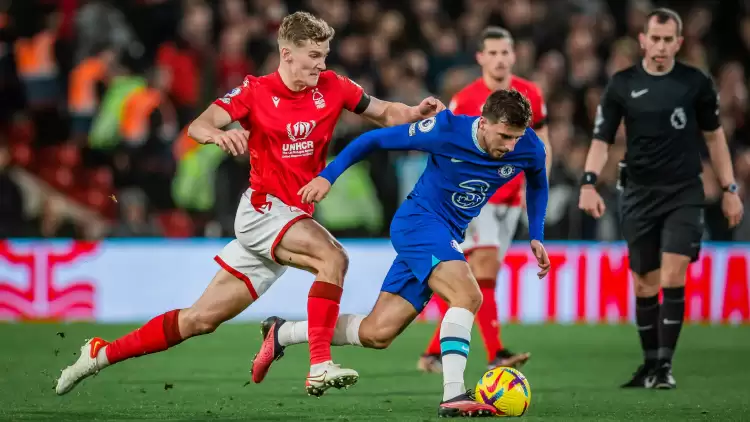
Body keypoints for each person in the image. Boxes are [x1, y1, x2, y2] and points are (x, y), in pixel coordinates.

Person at [55, 11, 445, 397]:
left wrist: (412, 113)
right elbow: (199, 124)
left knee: (199, 320)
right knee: (333, 259)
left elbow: (383, 111)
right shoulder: (255, 91)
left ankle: (100, 354)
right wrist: (217, 136)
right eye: (313, 55)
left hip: (292, 218)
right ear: (287, 53)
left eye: (324, 55)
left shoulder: (334, 86)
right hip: (264, 211)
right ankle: (320, 365)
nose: (321, 64)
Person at [252, 89, 551, 417]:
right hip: (419, 224)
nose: (510, 146)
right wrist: (328, 176)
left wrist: (536, 234)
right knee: (468, 295)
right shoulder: (446, 130)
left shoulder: (529, 146)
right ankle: (453, 394)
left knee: (377, 333)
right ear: (483, 123)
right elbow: (373, 141)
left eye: (516, 138)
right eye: (504, 136)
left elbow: (537, 181)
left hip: (446, 234)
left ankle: (282, 332)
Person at [578, 8, 743, 390]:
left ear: (679, 43)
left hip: (684, 192)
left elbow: (715, 138)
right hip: (637, 193)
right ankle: (650, 364)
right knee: (644, 284)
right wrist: (588, 182)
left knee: (672, 275)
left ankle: (665, 367)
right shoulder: (622, 84)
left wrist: (730, 188)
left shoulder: (695, 83)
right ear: (643, 40)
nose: (661, 46)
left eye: (669, 40)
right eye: (656, 38)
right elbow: (602, 139)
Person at [419, 26, 552, 373]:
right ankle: (497, 353)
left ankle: (431, 353)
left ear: (513, 55)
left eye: (504, 52)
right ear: (480, 57)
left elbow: (543, 143)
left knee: (478, 279)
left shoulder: (531, 95)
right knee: (485, 271)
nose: (498, 59)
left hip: (511, 198)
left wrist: (537, 184)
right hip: (475, 199)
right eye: (491, 53)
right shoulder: (465, 99)